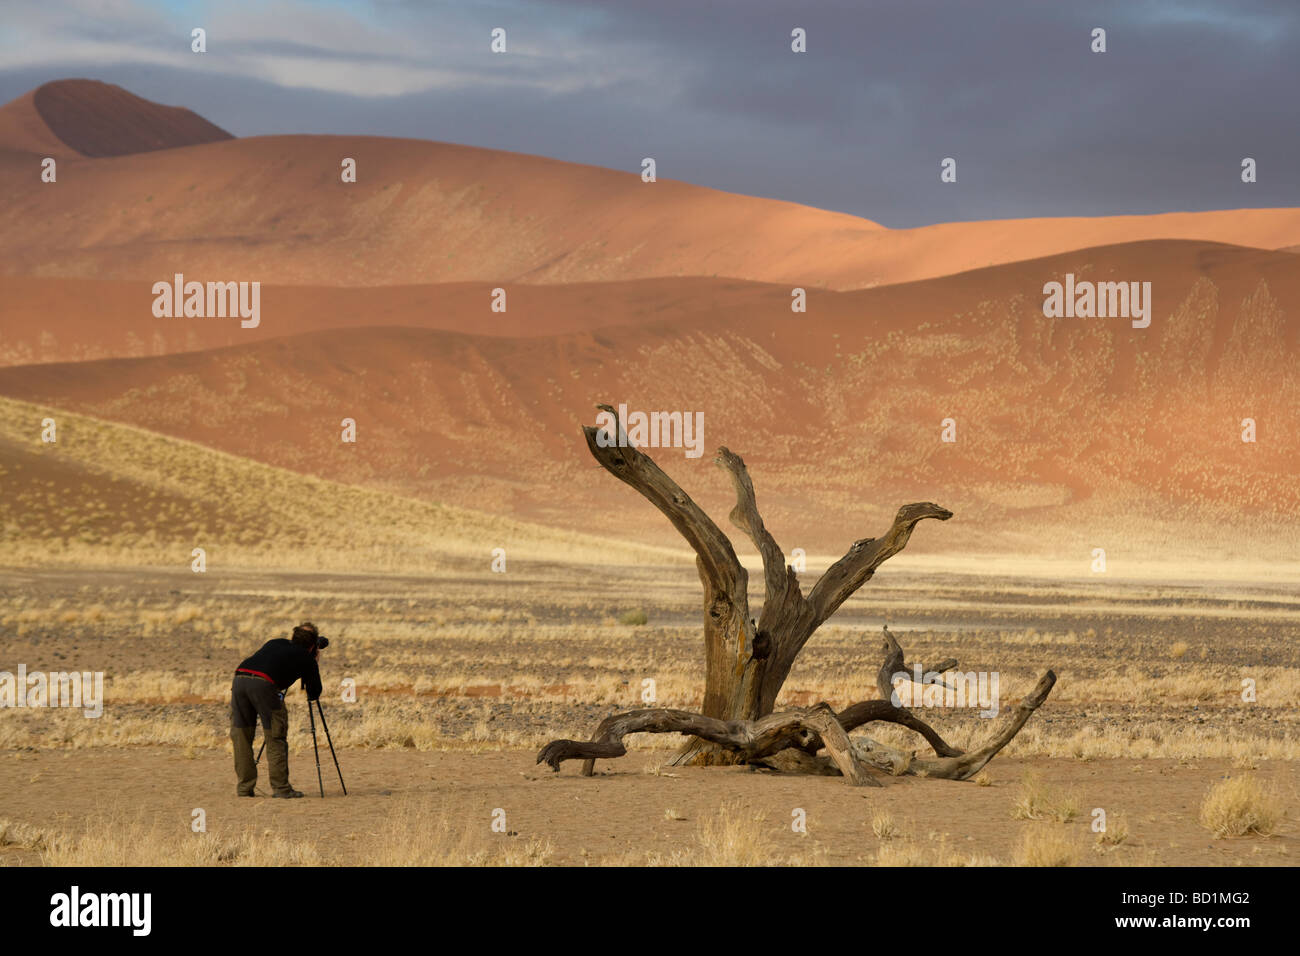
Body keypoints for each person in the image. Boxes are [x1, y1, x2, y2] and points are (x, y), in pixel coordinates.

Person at [230, 622, 325, 798]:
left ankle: (244, 788)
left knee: (241, 736)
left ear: (293, 637)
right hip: (264, 684)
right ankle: (281, 789)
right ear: (312, 645)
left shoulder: (275, 642)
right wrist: (313, 662)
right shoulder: (306, 657)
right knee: (275, 736)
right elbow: (314, 693)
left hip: (240, 678)